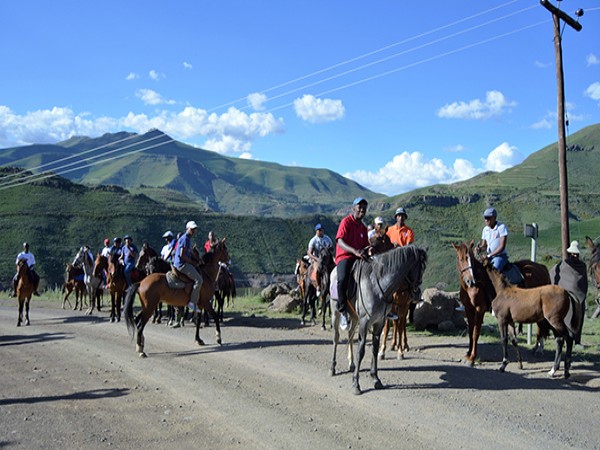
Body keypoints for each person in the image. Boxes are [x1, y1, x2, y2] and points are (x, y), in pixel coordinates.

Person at [335, 197, 371, 330]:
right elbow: (340, 241)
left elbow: (365, 245)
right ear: (354, 208)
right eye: (359, 207)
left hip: (358, 258)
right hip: (345, 256)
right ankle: (342, 310)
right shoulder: (346, 222)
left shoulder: (363, 228)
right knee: (342, 279)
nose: (362, 210)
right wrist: (354, 251)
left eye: (364, 208)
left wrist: (370, 250)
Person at [173, 221, 203, 310]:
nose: (193, 231)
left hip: (182, 263)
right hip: (182, 264)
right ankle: (192, 302)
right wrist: (192, 262)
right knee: (199, 280)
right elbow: (182, 255)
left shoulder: (187, 239)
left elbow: (188, 253)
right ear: (187, 229)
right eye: (192, 229)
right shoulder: (185, 239)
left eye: (194, 229)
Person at [477, 207, 508, 272]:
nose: (486, 220)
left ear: (494, 218)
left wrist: (489, 255)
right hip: (489, 257)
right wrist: (479, 249)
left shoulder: (501, 227)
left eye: (488, 218)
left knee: (494, 270)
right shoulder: (485, 229)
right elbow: (484, 246)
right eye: (485, 218)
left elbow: (502, 246)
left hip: (500, 256)